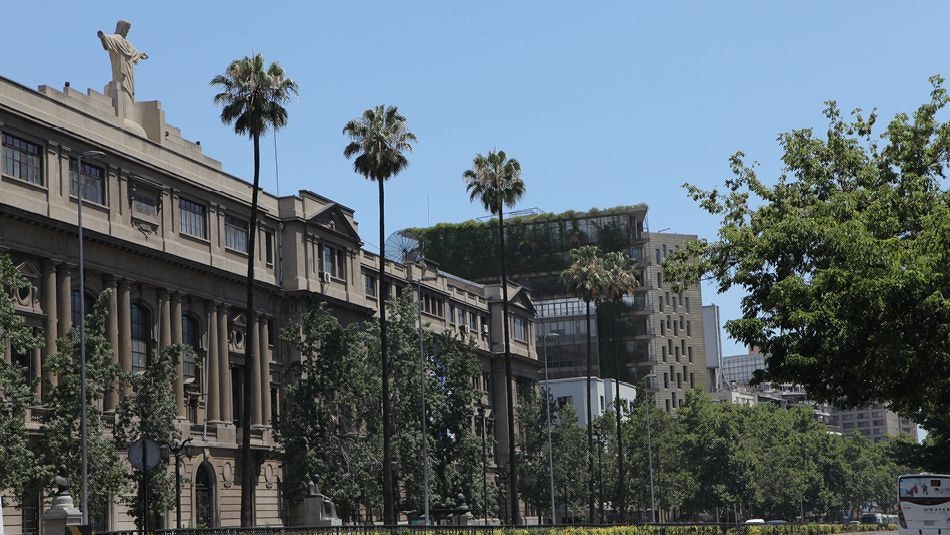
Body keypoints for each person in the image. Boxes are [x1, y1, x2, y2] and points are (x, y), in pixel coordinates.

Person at [97, 20, 148, 112]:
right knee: (121, 85)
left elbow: (133, 52)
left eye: (128, 29)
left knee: (128, 87)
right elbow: (108, 41)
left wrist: (140, 54)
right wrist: (103, 37)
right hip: (120, 67)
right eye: (127, 28)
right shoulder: (117, 38)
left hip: (129, 68)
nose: (127, 31)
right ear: (122, 27)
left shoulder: (126, 42)